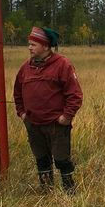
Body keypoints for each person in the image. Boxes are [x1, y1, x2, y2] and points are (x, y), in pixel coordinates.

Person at [13, 27, 83, 194]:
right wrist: (22, 113)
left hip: (56, 125)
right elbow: (17, 93)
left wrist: (66, 117)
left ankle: (69, 192)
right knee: (42, 159)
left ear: (45, 46)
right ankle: (46, 192)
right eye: (29, 44)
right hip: (33, 124)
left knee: (61, 160)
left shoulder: (62, 65)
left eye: (33, 44)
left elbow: (75, 94)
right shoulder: (25, 68)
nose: (29, 48)